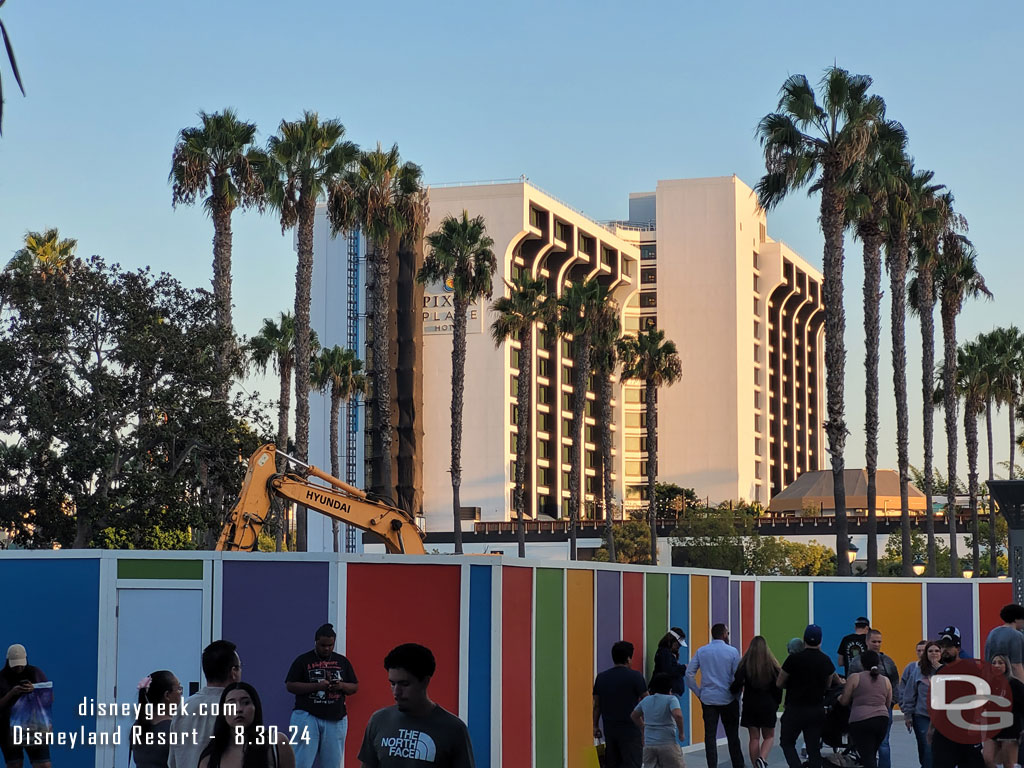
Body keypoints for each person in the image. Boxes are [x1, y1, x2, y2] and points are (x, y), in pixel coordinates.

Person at [357, 643, 474, 768]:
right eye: (392, 683)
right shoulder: (378, 720)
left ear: (425, 681)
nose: (396, 692)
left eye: (405, 684)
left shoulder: (454, 729)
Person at [285, 623, 358, 768]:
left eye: (331, 645)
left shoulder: (342, 661)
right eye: (323, 645)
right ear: (316, 642)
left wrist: (341, 686)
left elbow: (354, 686)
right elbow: (290, 685)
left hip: (335, 718)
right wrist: (318, 686)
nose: (327, 648)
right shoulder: (303, 660)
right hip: (307, 716)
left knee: (332, 764)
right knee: (300, 762)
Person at [169, 640, 242, 768]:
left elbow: (172, 762)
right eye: (240, 667)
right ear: (233, 672)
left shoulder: (183, 709)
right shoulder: (239, 710)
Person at [777, 624, 841, 768]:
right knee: (813, 748)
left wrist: (793, 685)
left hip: (794, 709)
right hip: (815, 710)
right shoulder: (825, 660)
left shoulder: (793, 659)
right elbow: (829, 684)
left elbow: (779, 683)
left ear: (804, 639)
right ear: (820, 640)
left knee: (787, 742)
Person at [198, 682, 295, 768]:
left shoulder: (276, 743)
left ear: (255, 707)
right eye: (231, 704)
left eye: (246, 702)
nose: (239, 709)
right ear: (223, 711)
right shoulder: (210, 757)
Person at [685, 623, 743, 768]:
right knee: (733, 736)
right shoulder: (732, 652)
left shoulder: (702, 651)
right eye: (728, 633)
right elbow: (738, 675)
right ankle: (738, 764)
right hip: (728, 698)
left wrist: (699, 693)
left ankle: (712, 765)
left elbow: (689, 674)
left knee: (710, 736)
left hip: (708, 699)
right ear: (724, 634)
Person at [927, 636, 985, 768]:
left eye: (949, 647)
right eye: (943, 647)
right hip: (944, 732)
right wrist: (931, 728)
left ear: (957, 649)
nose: (945, 650)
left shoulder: (971, 669)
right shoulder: (940, 672)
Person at [847, 630, 899, 768]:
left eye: (879, 641)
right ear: (867, 641)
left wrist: (891, 702)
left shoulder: (888, 662)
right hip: (861, 711)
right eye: (874, 641)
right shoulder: (856, 662)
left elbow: (895, 684)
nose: (877, 644)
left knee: (884, 745)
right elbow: (850, 684)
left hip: (883, 709)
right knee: (864, 748)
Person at [594, 640, 648, 768]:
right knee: (632, 763)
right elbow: (647, 702)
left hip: (610, 730)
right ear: (628, 658)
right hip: (631, 731)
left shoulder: (601, 677)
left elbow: (597, 705)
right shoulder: (636, 676)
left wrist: (595, 726)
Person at [730, 636, 782, 768]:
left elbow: (736, 684)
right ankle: (762, 759)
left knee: (754, 738)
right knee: (769, 737)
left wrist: (733, 690)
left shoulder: (745, 665)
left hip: (750, 705)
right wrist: (776, 703)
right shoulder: (773, 666)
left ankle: (756, 765)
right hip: (768, 705)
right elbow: (779, 688)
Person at [0, 644, 52, 768]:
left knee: (43, 764)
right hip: (8, 729)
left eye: (21, 664)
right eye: (15, 665)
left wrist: (35, 689)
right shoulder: (1, 678)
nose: (19, 668)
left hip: (34, 727)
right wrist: (12, 693)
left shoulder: (35, 673)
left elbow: (49, 698)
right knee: (14, 764)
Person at [838, 650, 892, 768]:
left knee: (867, 757)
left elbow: (844, 701)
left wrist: (838, 698)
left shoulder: (855, 677)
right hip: (881, 720)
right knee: (871, 754)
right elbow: (888, 704)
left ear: (861, 663)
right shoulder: (886, 681)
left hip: (861, 721)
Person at [631, 673, 685, 768]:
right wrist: (681, 733)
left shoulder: (646, 700)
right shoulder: (671, 699)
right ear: (670, 689)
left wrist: (643, 727)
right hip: (667, 743)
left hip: (649, 746)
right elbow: (678, 715)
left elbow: (634, 715)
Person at [132, 670, 184, 768]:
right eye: (178, 689)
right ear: (167, 695)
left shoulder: (138, 725)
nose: (181, 693)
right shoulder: (174, 729)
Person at [902, 641, 941, 768]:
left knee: (937, 749)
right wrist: (907, 715)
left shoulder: (947, 670)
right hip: (922, 716)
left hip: (942, 718)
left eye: (936, 651)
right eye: (930, 651)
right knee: (925, 747)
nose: (934, 653)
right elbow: (909, 693)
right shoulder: (918, 671)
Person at [982, 654, 1024, 768]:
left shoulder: (1015, 685)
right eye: (994, 663)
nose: (997, 665)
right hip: (992, 727)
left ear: (1007, 666)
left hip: (1010, 728)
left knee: (1008, 763)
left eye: (1000, 663)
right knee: (988, 759)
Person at [984, 604, 1024, 679]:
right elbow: (1016, 665)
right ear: (1016, 619)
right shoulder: (1016, 635)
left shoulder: (992, 633)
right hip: (1010, 682)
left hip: (993, 680)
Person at [652, 628, 688, 697]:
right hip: (668, 693)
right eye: (678, 644)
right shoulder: (664, 653)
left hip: (671, 692)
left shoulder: (669, 653)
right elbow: (668, 670)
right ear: (672, 640)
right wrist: (684, 668)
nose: (679, 646)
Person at [898, 640, 927, 705]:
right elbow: (902, 687)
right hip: (912, 708)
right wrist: (903, 705)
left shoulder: (934, 668)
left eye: (923, 651)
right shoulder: (910, 667)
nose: (921, 653)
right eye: (919, 651)